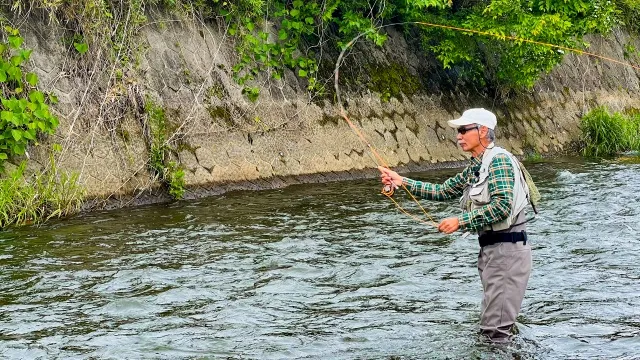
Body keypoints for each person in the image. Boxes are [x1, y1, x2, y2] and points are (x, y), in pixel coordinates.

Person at [378, 108, 533, 343]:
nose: (458, 136)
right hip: (493, 252)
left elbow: (502, 206)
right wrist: (401, 181)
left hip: (507, 252)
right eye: (457, 131)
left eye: (463, 130)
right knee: (493, 329)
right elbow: (442, 191)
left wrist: (460, 221)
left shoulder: (498, 161)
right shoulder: (476, 166)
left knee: (495, 333)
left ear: (483, 131)